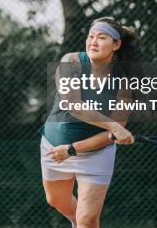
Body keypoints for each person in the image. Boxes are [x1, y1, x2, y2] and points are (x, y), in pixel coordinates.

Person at [40, 17, 140, 228]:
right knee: (56, 200)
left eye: (101, 37)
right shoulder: (72, 61)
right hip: (53, 146)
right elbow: (72, 104)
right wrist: (114, 127)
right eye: (91, 36)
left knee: (88, 220)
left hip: (95, 153)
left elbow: (113, 135)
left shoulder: (124, 81)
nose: (93, 42)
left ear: (116, 44)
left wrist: (72, 149)